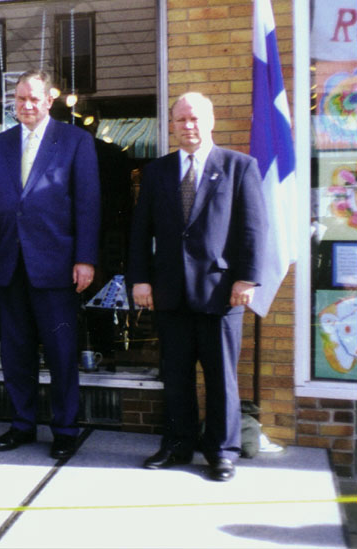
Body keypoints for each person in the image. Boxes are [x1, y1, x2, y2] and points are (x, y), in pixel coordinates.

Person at [127, 91, 268, 482]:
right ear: (171, 125)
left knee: (222, 377)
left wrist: (247, 278)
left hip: (221, 293)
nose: (188, 126)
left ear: (211, 121)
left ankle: (222, 452)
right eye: (181, 120)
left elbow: (254, 227)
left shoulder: (239, 166)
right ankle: (177, 444)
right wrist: (140, 279)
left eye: (195, 119)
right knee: (176, 375)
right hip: (170, 292)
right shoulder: (156, 172)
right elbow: (140, 233)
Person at [0, 69, 101, 460]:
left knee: (62, 351)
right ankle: (22, 424)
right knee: (16, 352)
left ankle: (65, 429)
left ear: (49, 101)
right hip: (10, 263)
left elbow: (87, 203)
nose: (26, 105)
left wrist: (85, 258)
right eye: (20, 99)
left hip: (57, 265)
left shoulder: (76, 141)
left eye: (34, 98)